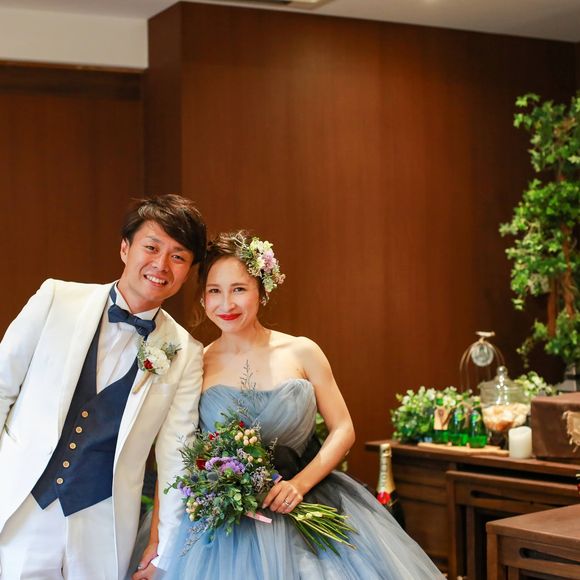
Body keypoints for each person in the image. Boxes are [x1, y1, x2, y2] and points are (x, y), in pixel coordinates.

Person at [133, 230, 444, 579]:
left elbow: (343, 428)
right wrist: (158, 540)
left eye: (239, 289)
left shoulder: (302, 351)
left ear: (262, 291)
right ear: (203, 298)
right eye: (214, 291)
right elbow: (176, 453)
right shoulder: (196, 363)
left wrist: (299, 485)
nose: (226, 304)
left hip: (307, 499)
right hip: (225, 525)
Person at [0, 194, 207, 579]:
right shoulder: (56, 299)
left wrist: (165, 548)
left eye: (178, 257)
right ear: (125, 248)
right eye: (151, 247)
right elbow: (1, 387)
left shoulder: (186, 353)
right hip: (21, 507)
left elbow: (176, 456)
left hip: (103, 528)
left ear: (188, 271)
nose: (161, 265)